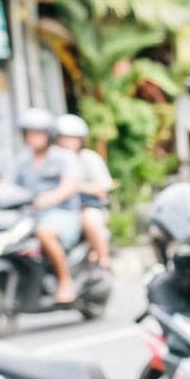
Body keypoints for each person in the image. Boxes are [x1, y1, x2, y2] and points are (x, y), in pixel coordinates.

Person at [10, 107, 86, 304]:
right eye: (28, 133)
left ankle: (65, 281)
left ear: (48, 135)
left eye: (37, 133)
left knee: (44, 232)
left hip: (62, 214)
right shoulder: (21, 161)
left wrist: (50, 198)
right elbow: (7, 187)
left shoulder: (64, 157)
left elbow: (70, 186)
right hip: (30, 216)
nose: (32, 138)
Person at [53, 114, 114, 272]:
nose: (68, 142)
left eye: (72, 138)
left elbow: (103, 188)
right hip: (59, 208)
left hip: (87, 205)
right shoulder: (52, 159)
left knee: (90, 220)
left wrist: (74, 187)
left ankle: (103, 260)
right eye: (64, 138)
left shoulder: (89, 159)